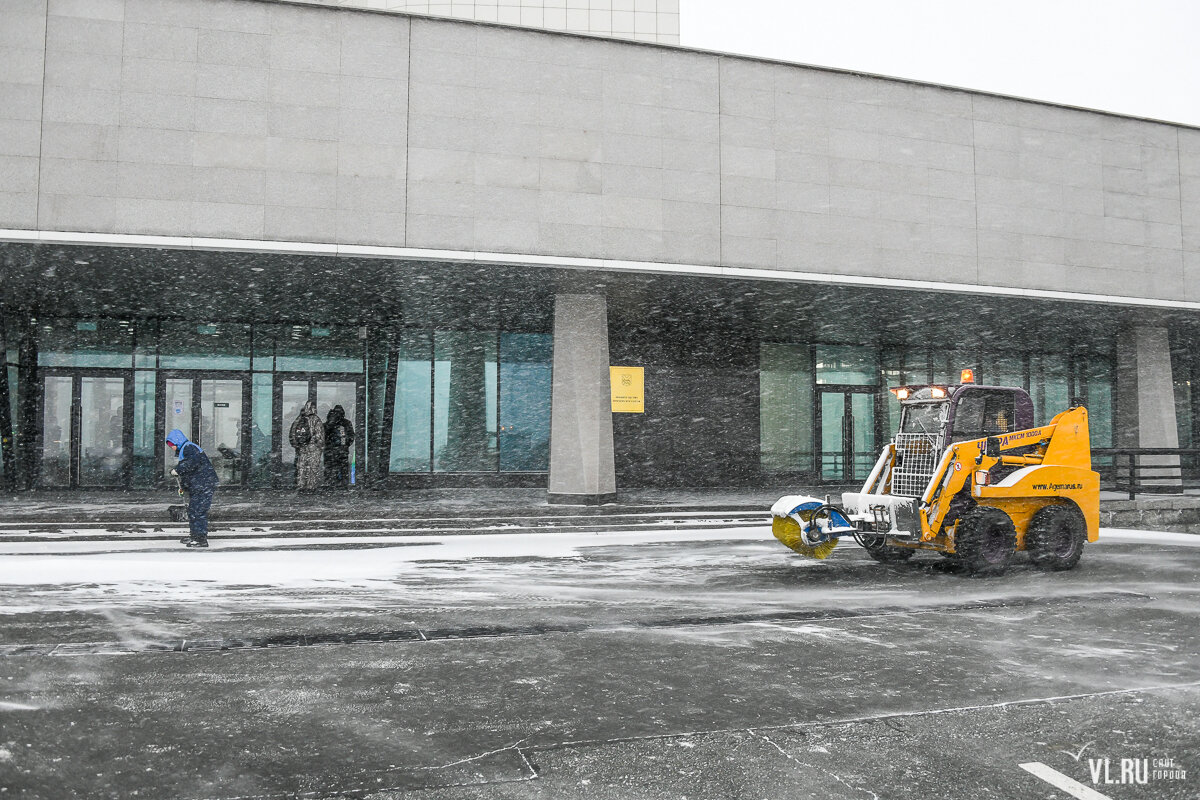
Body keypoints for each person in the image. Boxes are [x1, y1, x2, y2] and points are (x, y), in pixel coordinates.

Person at [166, 429, 219, 548]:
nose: (172, 448)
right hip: (199, 485)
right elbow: (190, 471)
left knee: (197, 511)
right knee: (193, 511)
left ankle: (200, 539)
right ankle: (195, 536)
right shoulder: (185, 449)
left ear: (177, 441)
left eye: (172, 445)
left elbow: (191, 463)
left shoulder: (189, 447)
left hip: (203, 485)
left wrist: (178, 470)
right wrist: (184, 487)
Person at [289, 400, 324, 491]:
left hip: (302, 448)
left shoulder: (299, 419)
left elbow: (293, 433)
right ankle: (310, 486)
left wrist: (297, 445)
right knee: (312, 468)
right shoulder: (316, 420)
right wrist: (319, 445)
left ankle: (300, 485)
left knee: (301, 467)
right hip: (313, 448)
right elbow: (319, 436)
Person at [323, 405, 355, 488]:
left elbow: (323, 435)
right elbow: (351, 436)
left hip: (331, 451)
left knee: (331, 469)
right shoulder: (346, 423)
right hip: (341, 451)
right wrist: (345, 445)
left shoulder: (329, 423)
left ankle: (331, 484)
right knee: (342, 469)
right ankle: (341, 485)